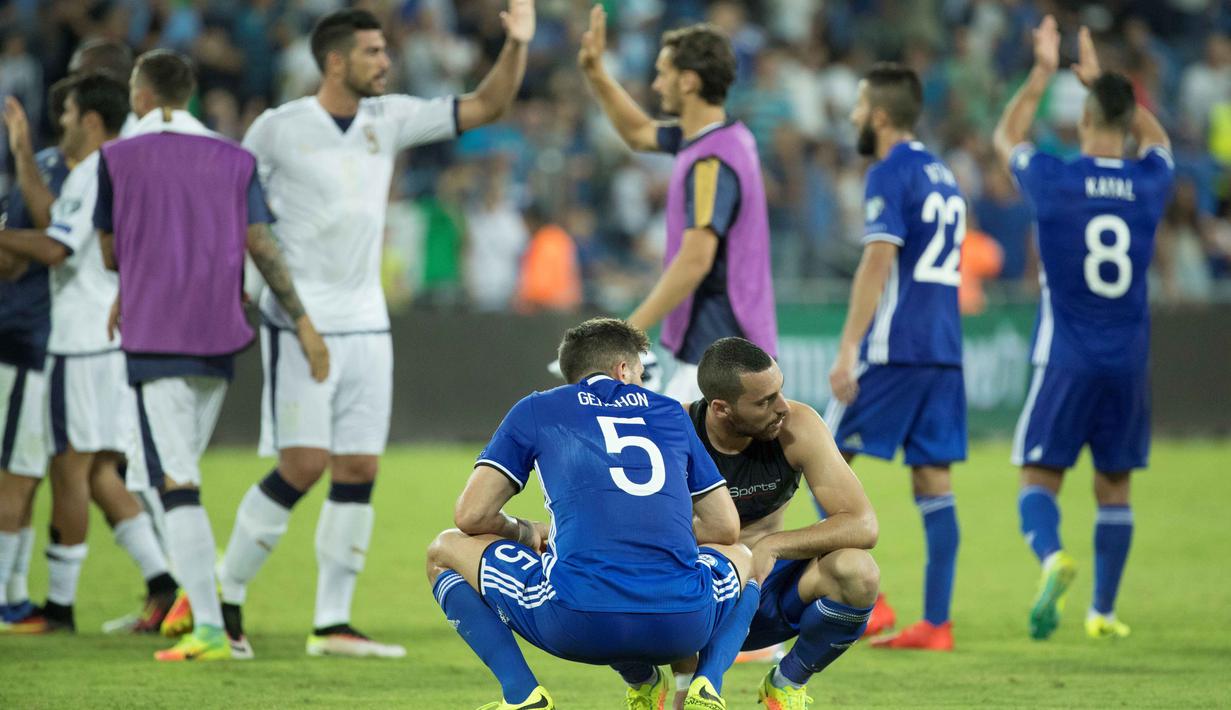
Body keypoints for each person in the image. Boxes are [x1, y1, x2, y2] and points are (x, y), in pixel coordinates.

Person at [215, 2, 537, 658]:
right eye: (371, 51)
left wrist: (518, 44)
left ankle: (332, 622)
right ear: (334, 61)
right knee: (302, 465)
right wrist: (279, 311)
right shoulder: (278, 128)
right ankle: (221, 600)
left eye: (384, 50)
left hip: (368, 322)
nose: (386, 61)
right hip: (300, 322)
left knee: (359, 466)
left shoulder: (387, 119)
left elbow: (485, 106)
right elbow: (238, 217)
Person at [95, 49, 327, 661]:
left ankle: (209, 627)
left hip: (155, 333)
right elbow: (260, 243)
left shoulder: (117, 159)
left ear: (141, 95)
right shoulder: (235, 158)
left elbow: (111, 253)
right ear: (191, 93)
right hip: (220, 336)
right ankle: (200, 613)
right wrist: (301, 319)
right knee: (179, 472)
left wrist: (135, 281)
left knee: (176, 481)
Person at [426, 318, 761, 710]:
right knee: (747, 558)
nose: (640, 381)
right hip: (682, 624)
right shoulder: (670, 413)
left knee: (444, 550)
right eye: (639, 371)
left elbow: (471, 515)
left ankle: (521, 695)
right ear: (622, 370)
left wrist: (525, 531)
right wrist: (654, 531)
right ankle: (707, 684)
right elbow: (725, 527)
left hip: (575, 623)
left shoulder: (537, 409)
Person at [992, 17, 1174, 641]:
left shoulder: (1055, 177)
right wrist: (1105, 80)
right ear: (1125, 124)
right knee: (1114, 485)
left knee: (1038, 478)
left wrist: (1044, 70)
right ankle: (1102, 611)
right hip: (1128, 360)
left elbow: (1005, 134)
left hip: (1066, 354)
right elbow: (1163, 144)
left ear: (1082, 122)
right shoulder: (1151, 182)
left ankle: (1052, 557)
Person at [0, 74, 178, 636]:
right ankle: (165, 587)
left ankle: (57, 609)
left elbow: (56, 246)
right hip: (107, 339)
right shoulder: (115, 167)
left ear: (92, 120)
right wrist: (25, 152)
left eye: (70, 113)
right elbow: (59, 222)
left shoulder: (95, 171)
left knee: (68, 471)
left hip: (76, 342)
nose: (64, 123)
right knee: (102, 473)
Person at [825, 63, 967, 651]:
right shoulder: (943, 173)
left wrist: (849, 346)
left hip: (896, 345)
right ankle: (936, 623)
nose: (854, 116)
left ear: (880, 116)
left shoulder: (889, 171)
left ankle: (871, 601)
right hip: (944, 350)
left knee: (819, 456)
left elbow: (878, 261)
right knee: (934, 480)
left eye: (859, 106)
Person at [577, 5, 778, 402]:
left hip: (720, 350)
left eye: (663, 73)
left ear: (687, 81)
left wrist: (628, 333)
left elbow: (695, 260)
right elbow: (637, 133)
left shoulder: (710, 162)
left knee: (676, 456)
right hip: (726, 346)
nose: (655, 85)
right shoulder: (721, 140)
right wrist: (597, 73)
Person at [666, 337, 879, 709]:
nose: (781, 408)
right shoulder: (674, 433)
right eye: (764, 401)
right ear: (721, 408)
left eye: (779, 391)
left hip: (770, 590)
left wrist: (771, 545)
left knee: (858, 571)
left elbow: (863, 524)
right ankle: (666, 682)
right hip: (700, 602)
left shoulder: (798, 426)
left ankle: (786, 683)